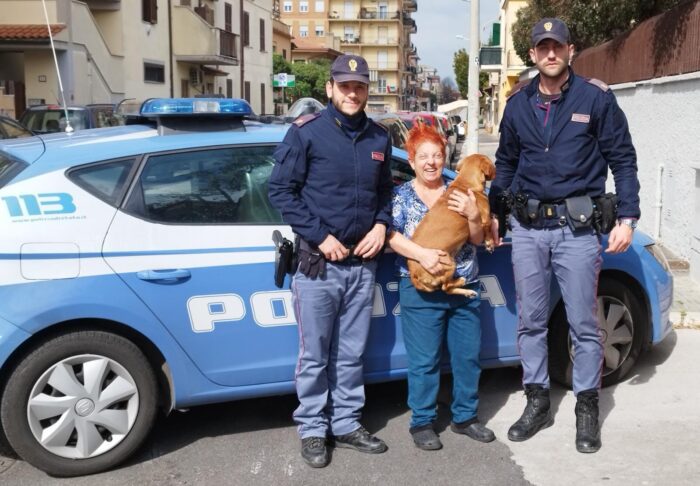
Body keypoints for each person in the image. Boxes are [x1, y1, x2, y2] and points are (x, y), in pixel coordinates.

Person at [489, 18, 640, 453]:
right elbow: (506, 164)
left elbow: (623, 160)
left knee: (583, 325)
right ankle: (537, 401)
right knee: (531, 322)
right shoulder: (517, 105)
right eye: (543, 47)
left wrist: (627, 216)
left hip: (577, 232)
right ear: (533, 55)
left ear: (570, 50)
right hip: (529, 230)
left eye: (557, 46)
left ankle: (586, 409)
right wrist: (497, 213)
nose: (550, 54)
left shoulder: (596, 99)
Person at [268, 54, 393, 468]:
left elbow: (386, 194)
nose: (352, 92)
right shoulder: (306, 134)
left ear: (367, 90)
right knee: (315, 355)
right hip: (318, 266)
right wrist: (320, 237)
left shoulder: (379, 138)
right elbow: (281, 192)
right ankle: (312, 429)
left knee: (352, 353)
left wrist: (381, 224)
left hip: (362, 264)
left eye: (359, 86)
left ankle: (346, 422)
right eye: (345, 86)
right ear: (330, 89)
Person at [388, 123, 495, 451]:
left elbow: (477, 239)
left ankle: (465, 417)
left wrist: (476, 217)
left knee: (467, 357)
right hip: (419, 289)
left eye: (437, 155)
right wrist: (422, 255)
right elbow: (390, 237)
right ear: (411, 160)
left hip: (465, 281)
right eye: (424, 156)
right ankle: (422, 421)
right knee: (424, 360)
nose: (431, 162)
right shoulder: (401, 196)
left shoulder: (462, 189)